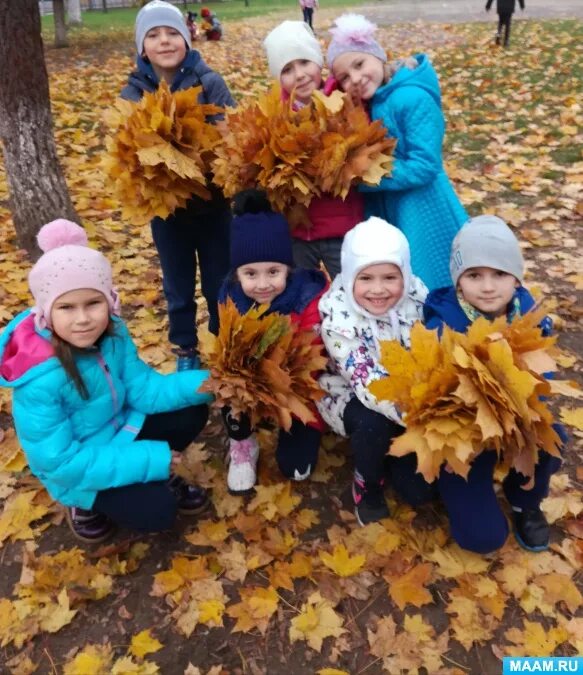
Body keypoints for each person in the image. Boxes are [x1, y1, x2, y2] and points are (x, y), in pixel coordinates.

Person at [0, 220, 213, 544]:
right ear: (46, 312)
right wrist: (152, 459)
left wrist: (208, 383)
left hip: (121, 428)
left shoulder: (112, 335)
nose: (83, 318)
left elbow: (145, 391)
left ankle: (145, 478)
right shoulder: (39, 378)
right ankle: (83, 506)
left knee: (192, 409)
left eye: (93, 303)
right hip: (77, 466)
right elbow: (62, 461)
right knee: (159, 512)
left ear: (109, 301)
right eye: (67, 307)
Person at [423, 215, 564, 553]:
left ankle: (524, 500)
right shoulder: (442, 323)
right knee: (482, 538)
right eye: (474, 275)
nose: (487, 287)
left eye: (499, 274)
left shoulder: (529, 314)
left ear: (516, 279)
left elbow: (544, 373)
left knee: (552, 438)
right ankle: (463, 489)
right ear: (458, 282)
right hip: (466, 432)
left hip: (515, 421)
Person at [121, 0, 234, 371]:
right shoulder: (134, 92)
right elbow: (127, 150)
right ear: (142, 47)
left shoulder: (209, 82)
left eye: (173, 33)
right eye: (154, 35)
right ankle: (185, 349)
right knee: (177, 285)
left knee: (220, 280)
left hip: (213, 206)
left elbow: (232, 135)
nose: (165, 41)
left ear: (187, 38)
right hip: (167, 211)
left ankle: (223, 344)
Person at [326, 14, 468, 291]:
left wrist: (367, 176)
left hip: (423, 208)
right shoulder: (372, 101)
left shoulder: (411, 97)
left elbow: (426, 164)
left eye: (359, 64)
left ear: (378, 56)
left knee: (431, 279)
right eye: (344, 77)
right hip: (391, 209)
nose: (355, 78)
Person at [318, 216, 436, 526]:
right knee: (373, 425)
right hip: (354, 394)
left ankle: (396, 460)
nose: (378, 290)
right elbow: (363, 377)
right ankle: (367, 483)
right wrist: (413, 414)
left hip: (408, 395)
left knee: (419, 493)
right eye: (366, 278)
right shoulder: (338, 316)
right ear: (349, 277)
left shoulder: (417, 298)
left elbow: (432, 349)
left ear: (405, 275)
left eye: (390, 277)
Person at [218, 190, 328, 493]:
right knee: (226, 385)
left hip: (297, 388)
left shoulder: (307, 299)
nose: (263, 284)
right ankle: (242, 443)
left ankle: (301, 430)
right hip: (252, 386)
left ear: (288, 269)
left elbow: (314, 362)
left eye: (274, 272)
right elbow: (225, 351)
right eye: (250, 273)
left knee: (294, 466)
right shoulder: (231, 298)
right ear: (237, 273)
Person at [263, 20, 364, 279]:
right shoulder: (275, 116)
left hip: (341, 225)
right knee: (303, 296)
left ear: (318, 62)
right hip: (299, 231)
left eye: (304, 62)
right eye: (287, 69)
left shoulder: (344, 101)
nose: (299, 74)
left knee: (348, 288)